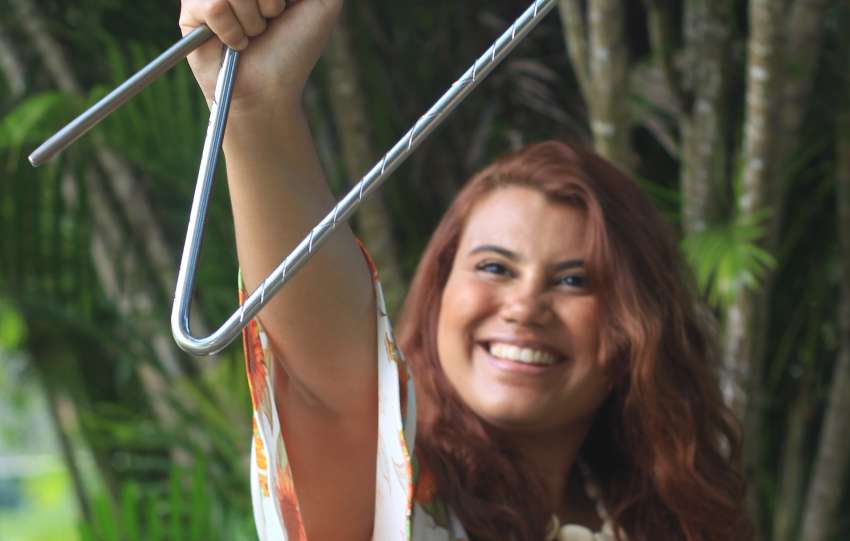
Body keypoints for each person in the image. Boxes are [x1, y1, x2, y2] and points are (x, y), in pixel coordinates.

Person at [179, 1, 751, 540]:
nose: (524, 307)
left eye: (574, 280)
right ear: (439, 294)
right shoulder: (400, 491)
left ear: (636, 324)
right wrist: (258, 111)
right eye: (495, 267)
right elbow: (329, 379)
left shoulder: (672, 517)